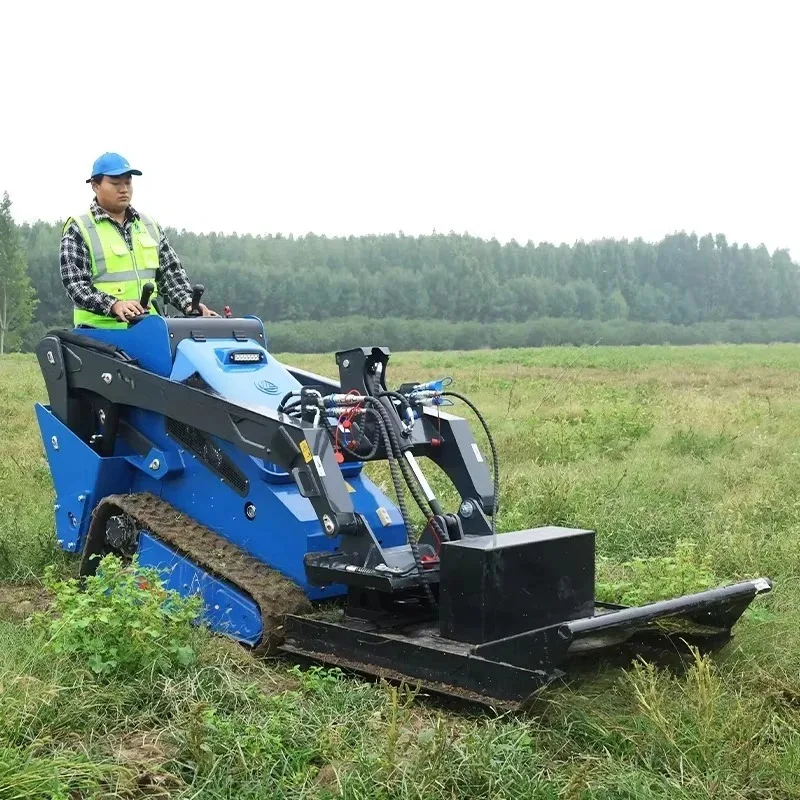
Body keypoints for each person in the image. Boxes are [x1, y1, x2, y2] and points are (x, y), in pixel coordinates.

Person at [60, 152, 216, 328]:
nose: (124, 189)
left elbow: (171, 275)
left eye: (127, 182)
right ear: (95, 186)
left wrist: (189, 304)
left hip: (148, 330)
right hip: (98, 333)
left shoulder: (149, 226)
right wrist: (113, 304)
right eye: (115, 183)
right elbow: (76, 285)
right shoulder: (80, 228)